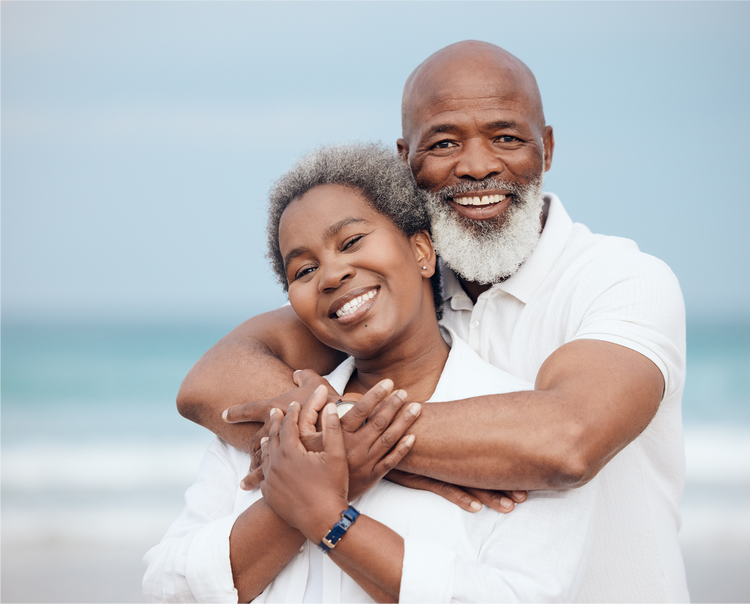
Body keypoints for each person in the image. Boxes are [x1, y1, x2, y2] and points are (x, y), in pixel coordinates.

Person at [175, 41, 689, 602]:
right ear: (406, 159)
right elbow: (214, 381)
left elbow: (568, 440)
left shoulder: (619, 279)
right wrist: (348, 452)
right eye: (444, 142)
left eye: (507, 137)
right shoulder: (395, 287)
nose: (476, 165)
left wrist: (345, 444)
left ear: (546, 147)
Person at [143, 143, 600, 604]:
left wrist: (328, 517)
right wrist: (298, 500)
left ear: (422, 251)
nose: (331, 274)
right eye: (303, 269)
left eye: (352, 242)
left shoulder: (515, 436)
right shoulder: (274, 423)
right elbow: (167, 587)